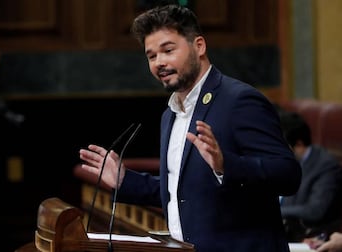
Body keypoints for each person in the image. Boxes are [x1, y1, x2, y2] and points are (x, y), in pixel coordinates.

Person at [79, 4, 302, 252]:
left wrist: (227, 165)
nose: (159, 62)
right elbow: (184, 191)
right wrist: (124, 181)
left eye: (168, 50)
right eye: (151, 56)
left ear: (199, 46)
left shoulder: (239, 100)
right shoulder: (170, 114)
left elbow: (288, 174)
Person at [279, 112, 342, 242]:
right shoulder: (287, 162)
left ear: (299, 145)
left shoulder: (326, 166)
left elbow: (314, 211)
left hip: (312, 236)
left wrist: (272, 211)